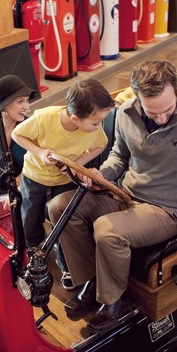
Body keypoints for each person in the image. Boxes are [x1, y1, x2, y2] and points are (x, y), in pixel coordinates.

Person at [48, 59, 177, 336]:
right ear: (137, 98)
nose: (160, 118)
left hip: (166, 211)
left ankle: (114, 302)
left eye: (167, 110)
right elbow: (119, 157)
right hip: (126, 195)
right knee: (60, 206)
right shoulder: (124, 113)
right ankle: (92, 280)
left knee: (107, 230)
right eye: (151, 112)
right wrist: (101, 175)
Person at [11, 79, 115, 287]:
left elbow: (101, 145)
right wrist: (39, 152)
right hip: (35, 176)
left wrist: (77, 163)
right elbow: (17, 134)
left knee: (63, 220)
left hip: (65, 178)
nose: (99, 127)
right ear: (75, 119)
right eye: (95, 123)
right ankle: (33, 256)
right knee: (30, 219)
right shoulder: (45, 118)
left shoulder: (95, 130)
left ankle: (66, 265)